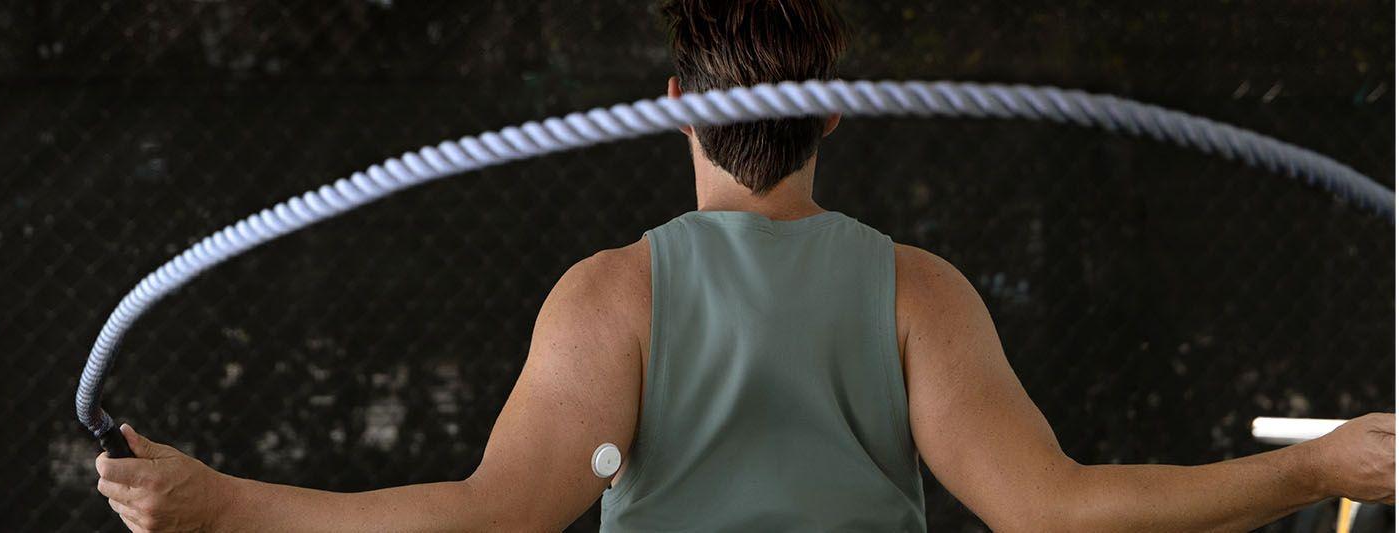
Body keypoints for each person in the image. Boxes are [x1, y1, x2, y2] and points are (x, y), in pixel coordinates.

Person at [93, 0, 1395, 531]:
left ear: (671, 103)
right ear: (834, 111)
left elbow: (490, 519)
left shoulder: (613, 294)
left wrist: (231, 506)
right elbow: (1052, 511)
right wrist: (1322, 463)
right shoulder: (914, 291)